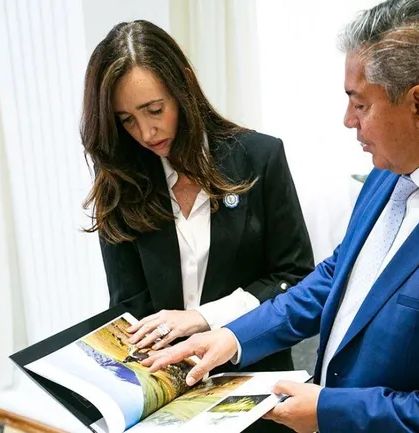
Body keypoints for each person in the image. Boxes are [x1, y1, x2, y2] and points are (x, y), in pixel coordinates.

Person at [143, 1, 419, 432]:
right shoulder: (395, 164)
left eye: (361, 105)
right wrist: (235, 336)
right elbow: (342, 275)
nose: (348, 120)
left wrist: (329, 411)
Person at [80, 20, 315, 433]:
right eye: (127, 120)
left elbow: (293, 278)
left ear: (183, 87)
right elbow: (129, 308)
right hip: (167, 394)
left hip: (254, 381)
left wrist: (203, 318)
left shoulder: (260, 158)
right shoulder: (120, 183)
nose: (146, 132)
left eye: (154, 110)